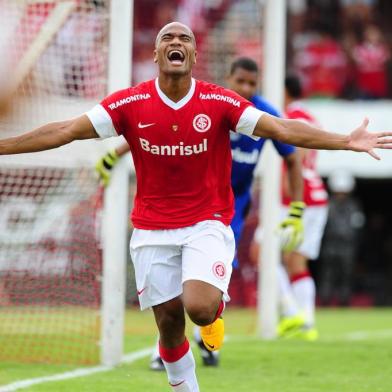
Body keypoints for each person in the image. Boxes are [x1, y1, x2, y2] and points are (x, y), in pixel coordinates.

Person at [0, 22, 391, 392]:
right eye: (168, 37)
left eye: (184, 38)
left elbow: (281, 128)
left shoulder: (219, 101)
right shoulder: (130, 103)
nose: (176, 42)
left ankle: (214, 311)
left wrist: (344, 140)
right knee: (169, 326)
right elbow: (65, 130)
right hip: (151, 229)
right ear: (155, 53)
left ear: (194, 54)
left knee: (200, 309)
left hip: (207, 222)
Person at [96, 57, 305, 369]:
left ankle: (205, 332)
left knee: (206, 287)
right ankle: (165, 347)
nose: (246, 88)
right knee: (177, 277)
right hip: (188, 202)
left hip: (227, 209)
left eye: (252, 83)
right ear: (229, 79)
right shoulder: (210, 103)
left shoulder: (261, 114)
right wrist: (115, 154)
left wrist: (298, 208)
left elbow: (291, 156)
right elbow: (153, 129)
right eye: (241, 82)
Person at [280, 75, 329, 340]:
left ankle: (290, 312)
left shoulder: (292, 117)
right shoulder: (309, 116)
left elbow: (296, 158)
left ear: (284, 90)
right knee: (296, 261)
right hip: (317, 195)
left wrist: (289, 189)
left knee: (260, 251)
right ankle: (307, 322)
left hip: (298, 198)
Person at [319, 170, 365, 306]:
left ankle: (344, 302)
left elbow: (358, 227)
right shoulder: (327, 205)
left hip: (347, 246)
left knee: (346, 276)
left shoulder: (354, 206)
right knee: (328, 275)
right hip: (330, 245)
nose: (341, 195)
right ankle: (325, 301)